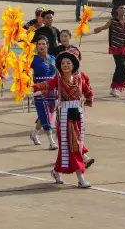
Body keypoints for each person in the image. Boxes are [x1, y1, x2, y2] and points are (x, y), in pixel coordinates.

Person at [31, 50, 94, 188]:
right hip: (65, 115)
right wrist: (31, 89)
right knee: (74, 146)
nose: (65, 65)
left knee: (67, 147)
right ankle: (81, 178)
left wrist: (88, 99)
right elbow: (45, 86)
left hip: (77, 115)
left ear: (73, 65)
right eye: (63, 63)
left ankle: (56, 171)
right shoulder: (57, 80)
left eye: (68, 63)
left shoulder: (79, 78)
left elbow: (88, 91)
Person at [92, 4, 125, 98]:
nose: (123, 9)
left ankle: (113, 90)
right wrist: (97, 29)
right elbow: (104, 27)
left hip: (124, 48)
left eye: (124, 8)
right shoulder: (113, 20)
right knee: (123, 69)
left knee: (118, 69)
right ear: (117, 10)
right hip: (115, 49)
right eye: (121, 8)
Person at [29, 36, 58, 150]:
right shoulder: (33, 59)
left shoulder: (53, 58)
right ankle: (51, 141)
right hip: (38, 90)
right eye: (39, 44)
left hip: (52, 91)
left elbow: (57, 75)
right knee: (45, 115)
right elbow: (23, 71)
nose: (41, 46)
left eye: (43, 44)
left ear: (47, 45)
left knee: (45, 115)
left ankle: (34, 134)